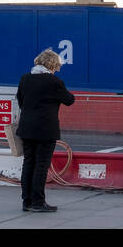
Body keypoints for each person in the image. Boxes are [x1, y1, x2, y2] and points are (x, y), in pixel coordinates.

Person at [15, 48, 76, 212]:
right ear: (53, 65)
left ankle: (26, 202)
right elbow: (69, 100)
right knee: (41, 166)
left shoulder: (25, 78)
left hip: (26, 128)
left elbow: (21, 101)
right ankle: (38, 202)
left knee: (28, 163)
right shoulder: (54, 82)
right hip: (45, 130)